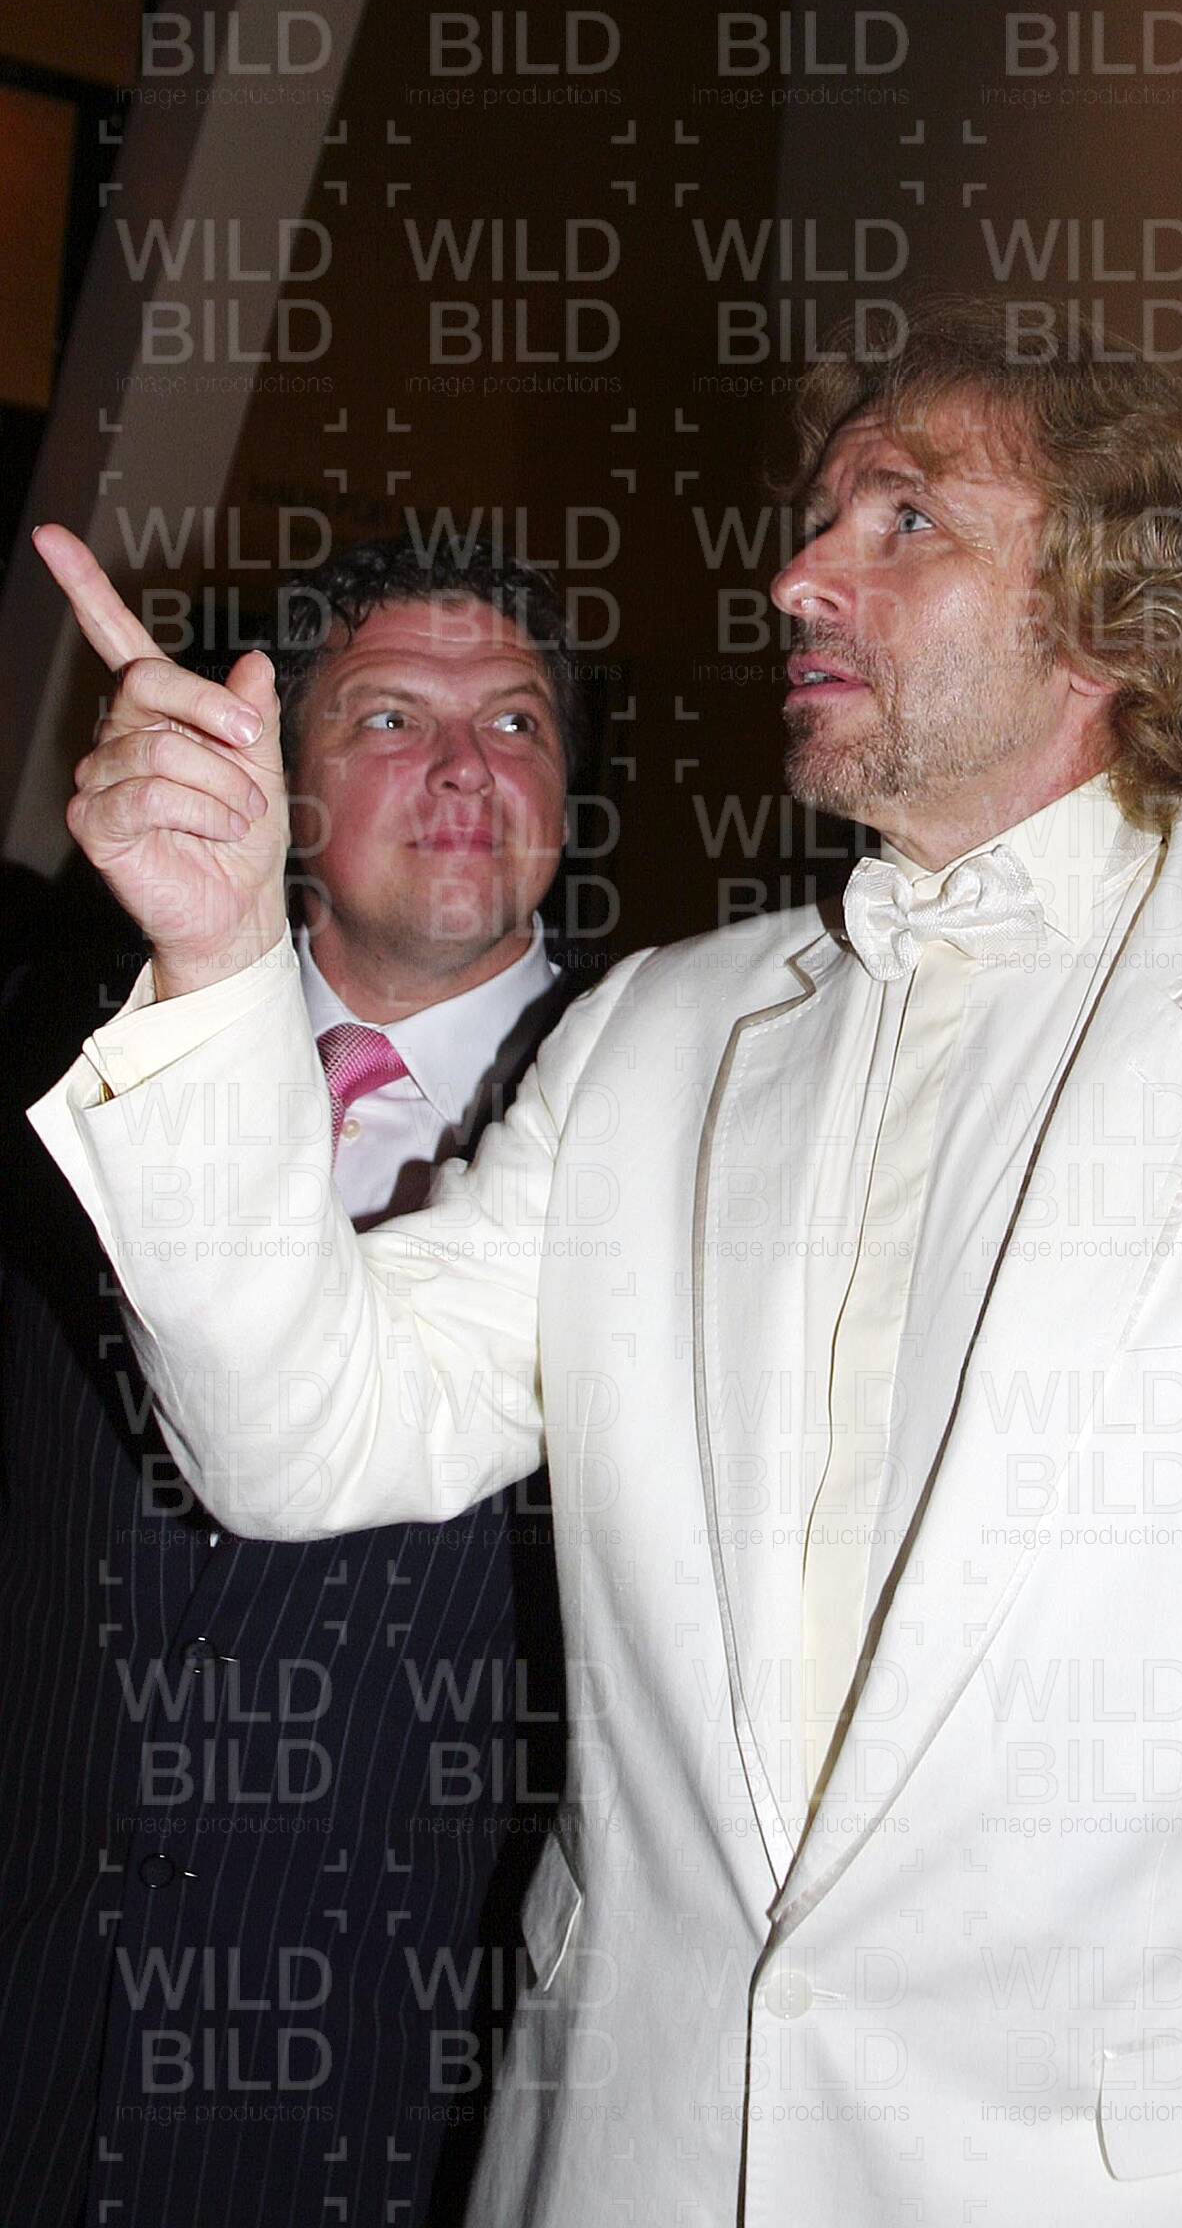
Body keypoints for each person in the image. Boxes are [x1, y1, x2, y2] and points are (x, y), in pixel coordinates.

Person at [28, 297, 1182, 2228]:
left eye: (903, 518)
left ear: (1113, 612)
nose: (795, 578)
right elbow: (303, 1443)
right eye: (816, 520)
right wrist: (213, 967)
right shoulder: (650, 1037)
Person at [0, 536, 581, 2228]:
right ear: (278, 780)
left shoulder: (682, 1134)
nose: (465, 767)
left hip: (395, 2108)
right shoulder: (58, 1064)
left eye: (517, 723)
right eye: (391, 717)